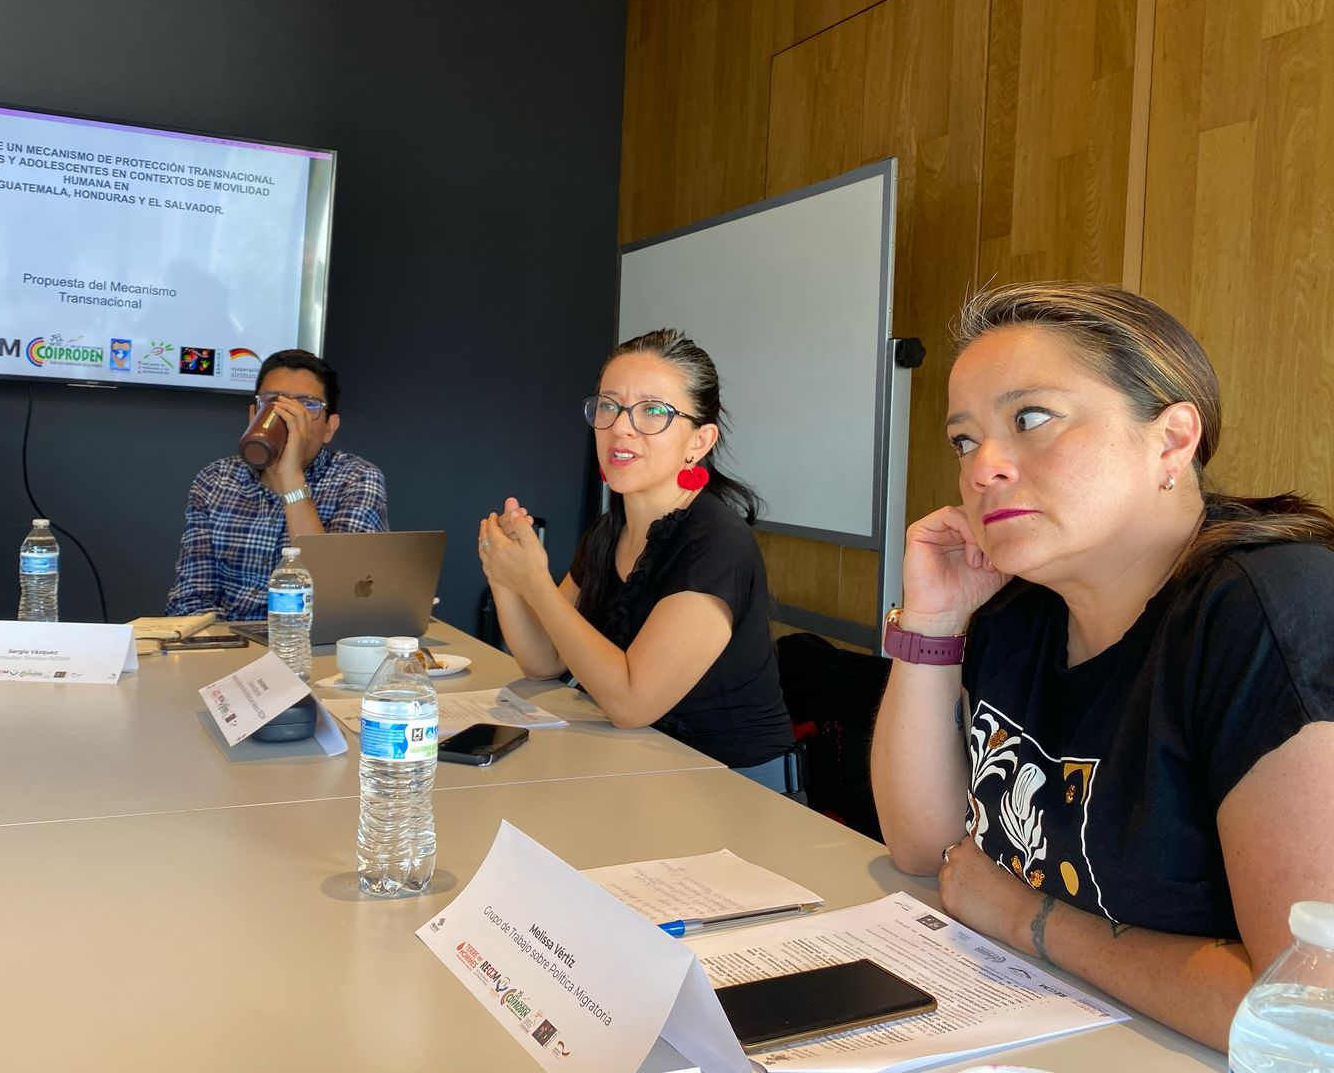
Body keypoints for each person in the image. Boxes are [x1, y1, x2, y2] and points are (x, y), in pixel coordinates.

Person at [869, 282, 1334, 1050]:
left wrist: (1029, 918)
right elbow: (924, 851)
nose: (982, 469)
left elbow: (1307, 1011)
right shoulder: (1018, 604)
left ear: (1172, 440)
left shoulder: (1272, 612)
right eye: (964, 440)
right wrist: (934, 622)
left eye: (1030, 419)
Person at [477, 329, 795, 788]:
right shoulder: (610, 530)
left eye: (653, 411)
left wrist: (535, 583)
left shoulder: (716, 543)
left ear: (699, 441)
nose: (621, 427)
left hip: (733, 787)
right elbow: (544, 661)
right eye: (608, 406)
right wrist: (504, 572)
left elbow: (631, 703)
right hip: (641, 768)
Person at [166, 349, 387, 620]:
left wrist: (291, 475)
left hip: (314, 641)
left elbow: (339, 599)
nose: (287, 416)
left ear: (329, 428)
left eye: (307, 405)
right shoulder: (216, 480)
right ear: (253, 416)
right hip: (230, 640)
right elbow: (191, 600)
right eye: (272, 402)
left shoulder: (357, 478)